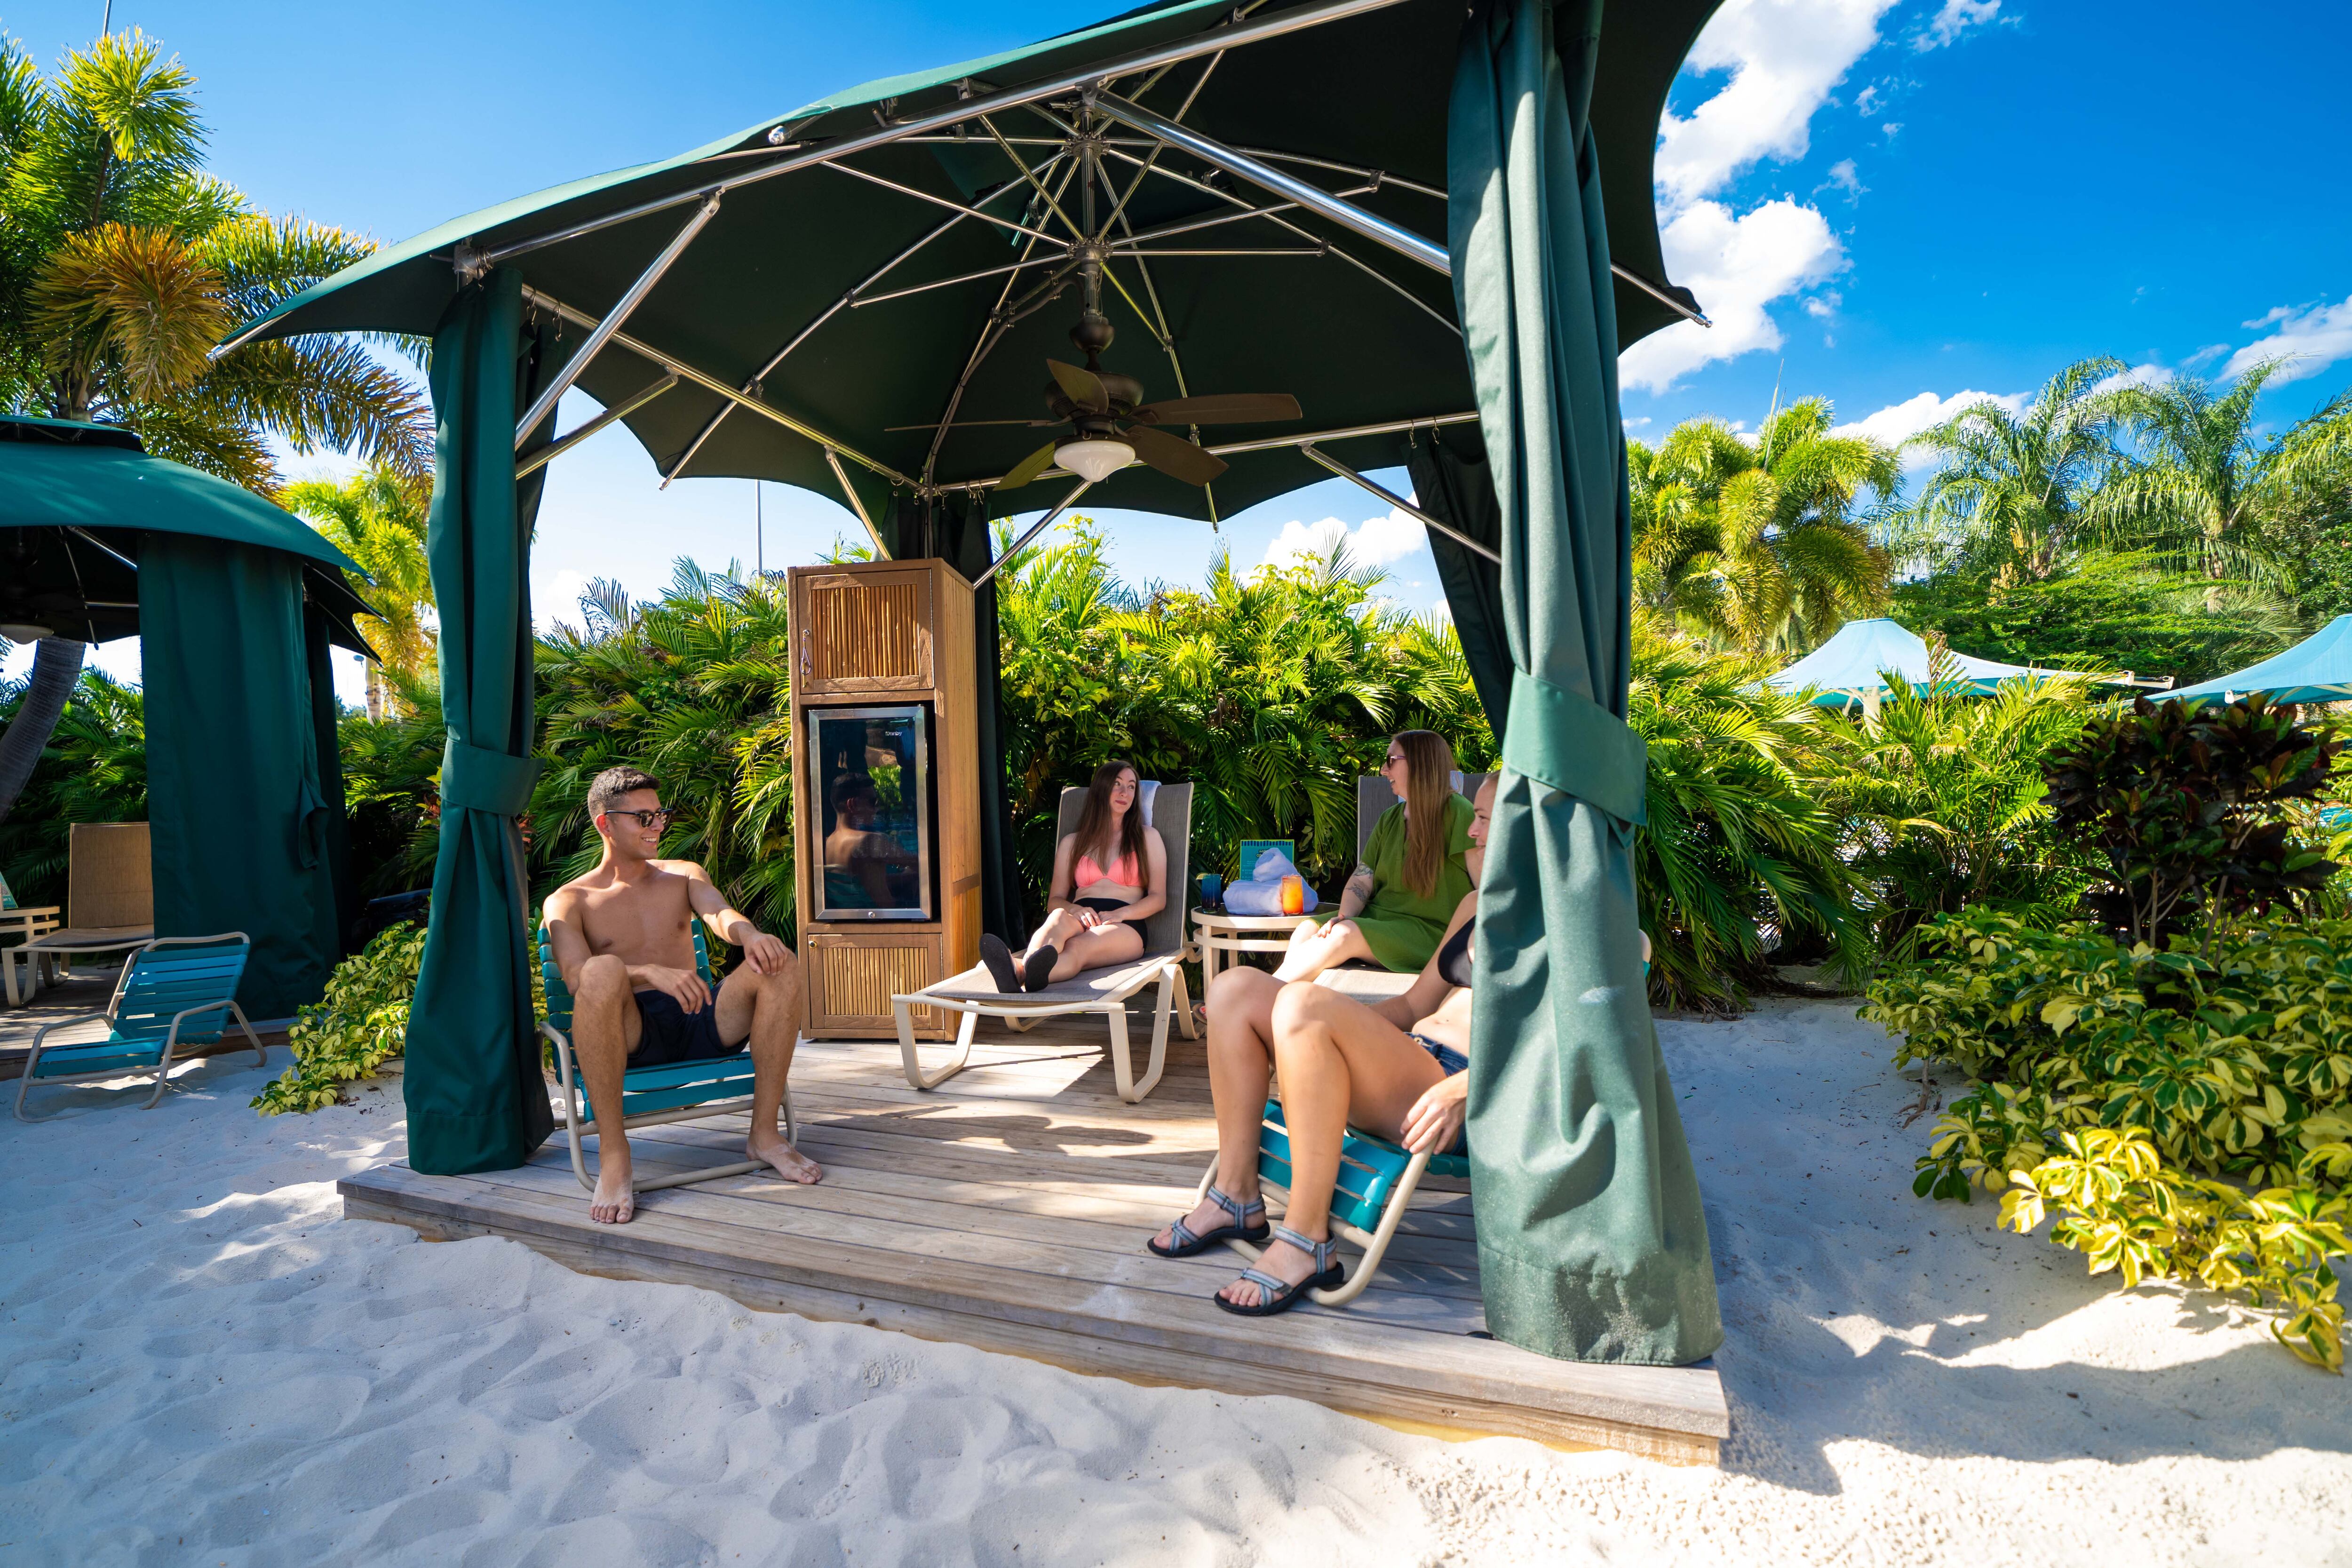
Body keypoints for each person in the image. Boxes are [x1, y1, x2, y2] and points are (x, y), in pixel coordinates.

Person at [1150, 775, 1495, 1315]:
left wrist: (1464, 1089)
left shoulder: (1566, 923)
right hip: (1410, 1057)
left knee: (1302, 1002)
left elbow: (1569, 1049)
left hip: (1459, 1091)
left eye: (1485, 819)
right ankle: (1236, 1195)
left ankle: (1307, 1240)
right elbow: (1412, 1005)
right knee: (1234, 990)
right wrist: (1334, 1034)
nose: (1470, 831)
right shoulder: (1475, 905)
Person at [542, 765, 815, 1226]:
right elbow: (574, 977)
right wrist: (647, 972)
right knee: (601, 970)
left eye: (660, 814)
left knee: (780, 963)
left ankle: (764, 1134)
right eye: (643, 818)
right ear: (605, 823)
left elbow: (719, 913)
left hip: (700, 1017)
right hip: (631, 1037)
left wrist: (750, 936)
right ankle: (614, 1155)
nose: (657, 826)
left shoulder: (682, 875)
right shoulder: (571, 900)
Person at [1271, 729, 1473, 984]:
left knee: (1345, 934)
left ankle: (1263, 994)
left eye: (1391, 761)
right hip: (1380, 919)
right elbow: (1361, 880)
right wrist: (1343, 916)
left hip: (1431, 933)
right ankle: (1283, 999)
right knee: (1307, 928)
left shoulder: (1459, 812)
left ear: (1420, 763)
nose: (1383, 770)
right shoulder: (1390, 819)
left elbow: (1484, 885)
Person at [978, 759, 1168, 993]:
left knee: (1078, 947)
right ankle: (1022, 972)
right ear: (1101, 789)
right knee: (1058, 916)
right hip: (1080, 915)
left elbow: (1158, 898)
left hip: (1125, 923)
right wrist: (1074, 909)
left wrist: (1121, 914)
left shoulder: (1147, 837)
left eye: (1131, 787)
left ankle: (1018, 972)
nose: (1124, 793)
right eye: (1117, 784)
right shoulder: (1073, 843)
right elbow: (1055, 901)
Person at [822, 772, 919, 909]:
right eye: (872, 802)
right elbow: (920, 863)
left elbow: (863, 884)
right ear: (852, 805)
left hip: (853, 918)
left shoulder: (828, 843)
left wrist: (908, 876)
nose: (876, 809)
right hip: (889, 917)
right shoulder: (868, 841)